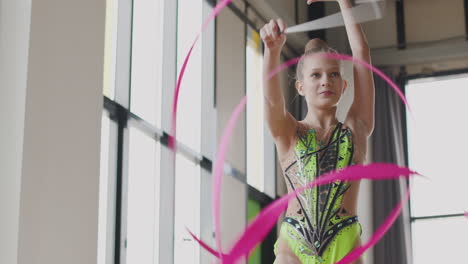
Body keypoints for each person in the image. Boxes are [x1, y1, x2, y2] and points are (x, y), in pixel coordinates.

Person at [260, 0, 375, 263]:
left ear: (344, 85)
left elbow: (361, 53)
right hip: (294, 246)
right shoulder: (289, 132)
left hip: (344, 245)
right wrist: (271, 52)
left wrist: (345, 2)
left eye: (334, 74)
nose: (326, 80)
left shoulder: (356, 129)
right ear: (300, 86)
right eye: (316, 75)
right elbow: (272, 102)